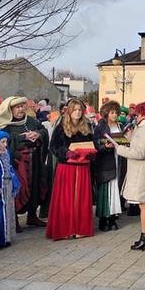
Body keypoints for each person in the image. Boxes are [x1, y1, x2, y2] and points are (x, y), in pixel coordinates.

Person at [115, 101, 145, 250]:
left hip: (144, 171)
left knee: (144, 204)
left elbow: (141, 153)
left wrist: (120, 149)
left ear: (144, 114)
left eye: (137, 114)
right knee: (144, 203)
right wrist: (130, 139)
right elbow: (141, 147)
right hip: (144, 170)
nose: (135, 117)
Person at [0, 96, 50, 228]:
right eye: (17, 107)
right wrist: (22, 137)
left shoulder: (31, 121)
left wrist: (38, 134)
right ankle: (14, 219)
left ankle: (32, 216)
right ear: (11, 110)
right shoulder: (5, 126)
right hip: (17, 162)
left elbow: (43, 131)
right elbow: (3, 140)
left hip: (35, 159)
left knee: (36, 186)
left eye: (22, 106)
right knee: (19, 189)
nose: (21, 109)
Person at [46, 98, 95, 240]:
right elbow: (53, 146)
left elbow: (91, 144)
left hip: (83, 167)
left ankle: (80, 228)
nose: (78, 112)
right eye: (75, 110)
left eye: (80, 110)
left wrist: (91, 152)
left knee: (81, 199)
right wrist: (66, 152)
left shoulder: (87, 126)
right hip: (67, 167)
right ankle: (65, 229)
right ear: (69, 110)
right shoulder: (61, 126)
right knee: (66, 199)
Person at [93, 100, 124, 232]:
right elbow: (95, 143)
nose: (114, 115)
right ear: (106, 113)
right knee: (106, 189)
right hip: (106, 162)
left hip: (118, 158)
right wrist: (104, 146)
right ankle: (103, 218)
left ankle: (113, 216)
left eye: (116, 112)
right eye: (112, 112)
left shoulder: (120, 125)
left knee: (115, 189)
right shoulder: (101, 127)